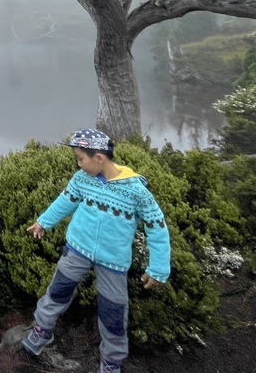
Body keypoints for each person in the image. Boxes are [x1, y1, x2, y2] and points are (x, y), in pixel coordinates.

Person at [21, 128, 171, 373]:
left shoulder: (136, 192)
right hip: (77, 248)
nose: (79, 165)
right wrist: (44, 222)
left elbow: (157, 228)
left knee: (113, 312)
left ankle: (111, 362)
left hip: (113, 262)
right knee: (58, 291)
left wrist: (158, 267)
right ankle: (42, 330)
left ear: (99, 158)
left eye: (81, 159)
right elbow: (65, 201)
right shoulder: (82, 179)